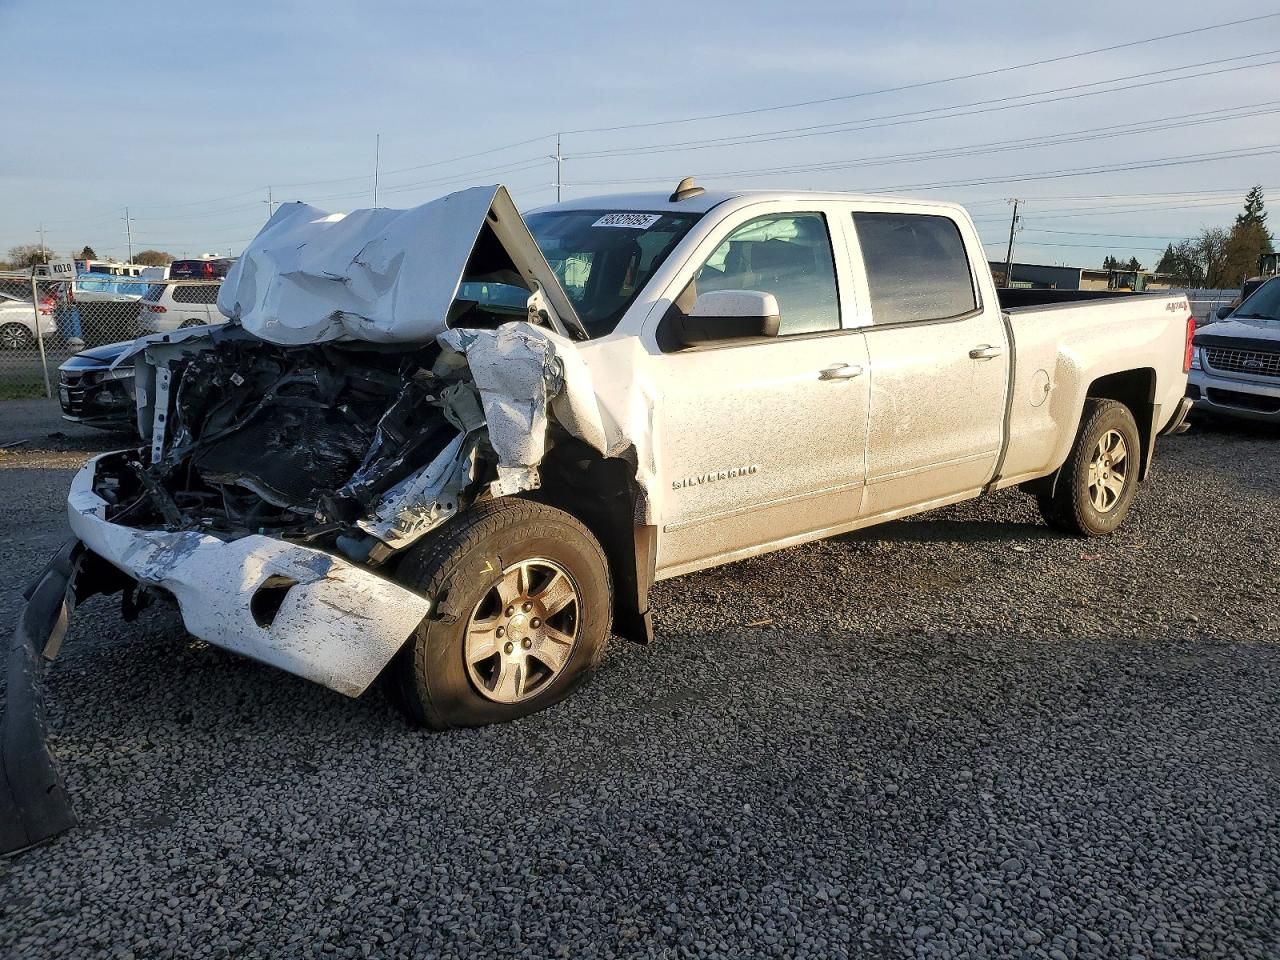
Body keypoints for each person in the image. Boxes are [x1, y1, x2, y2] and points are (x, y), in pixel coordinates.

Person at [53, 279, 83, 348]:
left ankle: (74, 336)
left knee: (72, 319)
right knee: (68, 319)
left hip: (71, 304)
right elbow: (59, 293)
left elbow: (59, 293)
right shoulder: (65, 284)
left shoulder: (72, 283)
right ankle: (69, 337)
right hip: (67, 304)